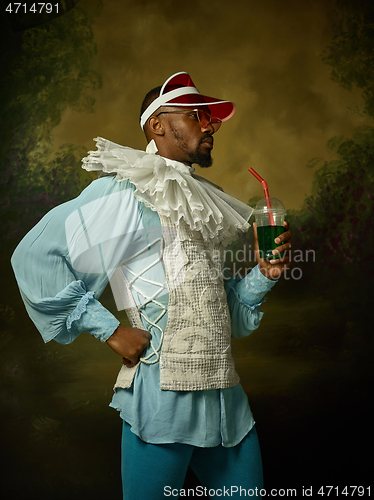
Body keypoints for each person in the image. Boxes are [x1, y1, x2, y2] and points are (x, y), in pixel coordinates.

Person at [11, 71, 291, 499]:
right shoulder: (125, 193)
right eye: (197, 115)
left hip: (226, 404)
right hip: (161, 404)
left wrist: (264, 275)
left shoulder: (202, 196)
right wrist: (108, 328)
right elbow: (32, 256)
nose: (210, 124)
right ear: (157, 124)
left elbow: (221, 314)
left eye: (211, 117)